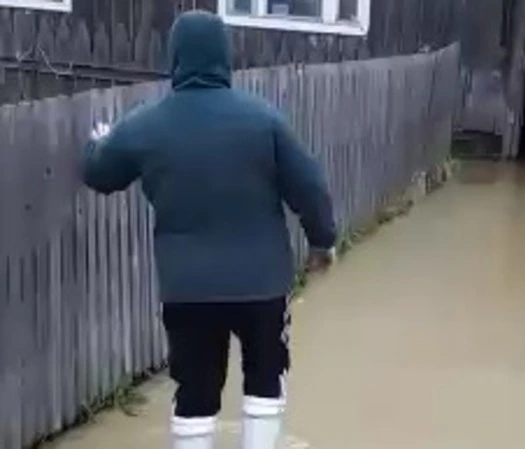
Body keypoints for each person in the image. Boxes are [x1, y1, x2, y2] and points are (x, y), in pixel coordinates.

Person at [82, 10, 337, 449]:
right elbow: (310, 187)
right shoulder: (264, 120)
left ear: (175, 57)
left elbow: (100, 175)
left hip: (188, 289)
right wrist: (322, 242)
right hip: (261, 284)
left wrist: (97, 142)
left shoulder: (146, 124)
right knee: (266, 375)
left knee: (195, 391)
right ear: (225, 57)